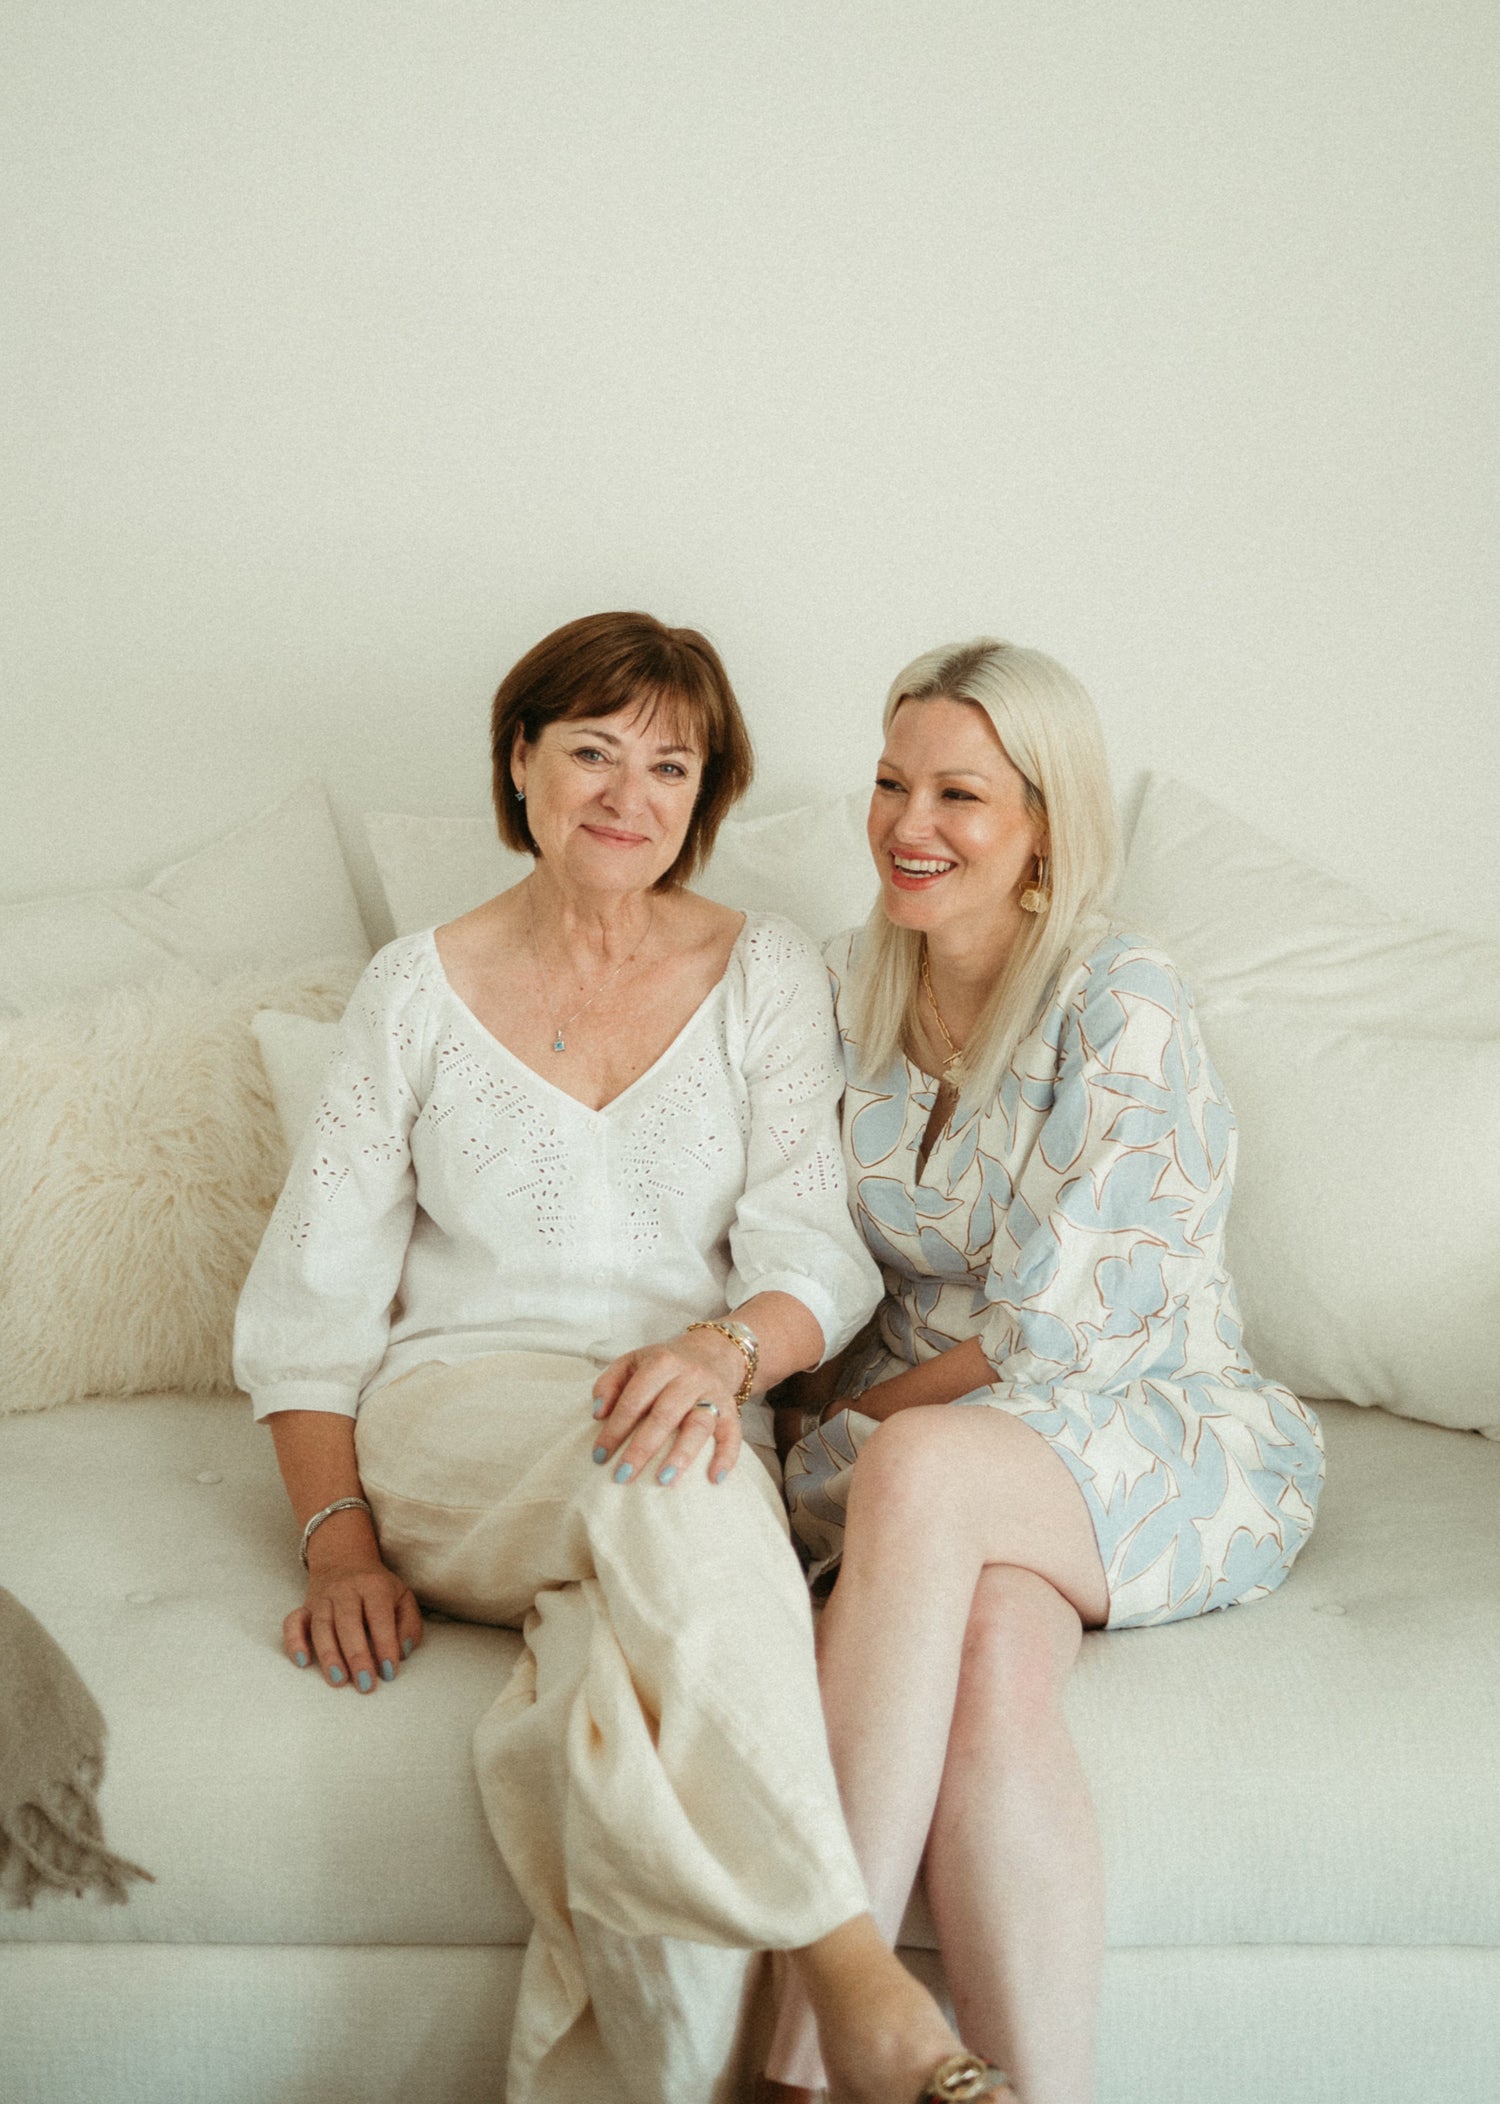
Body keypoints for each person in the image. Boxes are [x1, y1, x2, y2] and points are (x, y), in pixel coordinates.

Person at [233, 612, 1013, 2104]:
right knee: (686, 1488)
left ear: (706, 794)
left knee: (611, 1708)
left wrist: (724, 1353)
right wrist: (339, 1547)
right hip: (464, 1430)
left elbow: (816, 1255)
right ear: (520, 761)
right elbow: (307, 1315)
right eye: (590, 749)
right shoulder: (415, 988)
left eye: (671, 763)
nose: (627, 793)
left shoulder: (767, 971)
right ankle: (854, 1978)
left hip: (695, 1408)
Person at [764, 640, 1326, 2104]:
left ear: (1044, 830)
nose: (909, 823)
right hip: (945, 1462)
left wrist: (847, 1414)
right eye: (891, 783)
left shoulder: (1119, 993)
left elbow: (1056, 1333)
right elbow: (790, 1227)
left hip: (1149, 1419)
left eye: (962, 793)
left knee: (924, 1471)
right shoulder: (843, 984)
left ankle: (809, 2062)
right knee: (996, 1665)